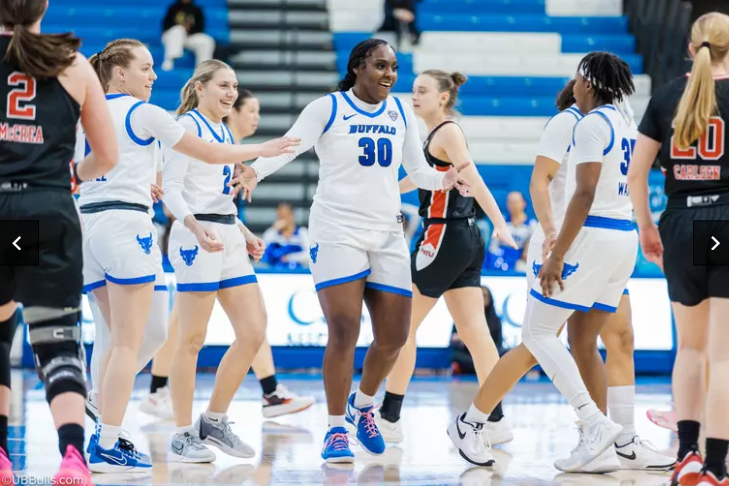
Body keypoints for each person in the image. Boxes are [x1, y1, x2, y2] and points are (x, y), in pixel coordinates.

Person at [232, 38, 463, 464]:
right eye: (380, 66)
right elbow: (290, 144)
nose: (390, 75)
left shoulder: (399, 113)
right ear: (358, 67)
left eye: (393, 67)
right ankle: (336, 428)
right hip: (336, 231)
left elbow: (416, 170)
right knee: (344, 329)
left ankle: (363, 406)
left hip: (386, 232)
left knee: (394, 336)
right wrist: (255, 172)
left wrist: (443, 181)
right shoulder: (328, 107)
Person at [80, 40, 298, 473]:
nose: (154, 75)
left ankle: (201, 419)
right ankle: (154, 430)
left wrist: (240, 228)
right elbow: (188, 178)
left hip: (102, 222)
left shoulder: (87, 111)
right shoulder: (158, 117)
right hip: (154, 229)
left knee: (241, 331)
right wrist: (261, 154)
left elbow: (103, 167)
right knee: (165, 337)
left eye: (236, 85)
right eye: (146, 67)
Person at [451, 51, 640, 470]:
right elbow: (540, 182)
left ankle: (611, 436)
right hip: (567, 240)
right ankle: (479, 421)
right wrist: (552, 233)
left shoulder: (611, 120)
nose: (574, 83)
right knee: (539, 340)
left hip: (597, 238)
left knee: (584, 339)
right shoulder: (569, 122)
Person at [0, 0, 118, 483]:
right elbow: (106, 156)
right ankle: (73, 456)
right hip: (48, 209)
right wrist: (68, 174)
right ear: (42, 7)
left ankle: (2, 458)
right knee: (57, 341)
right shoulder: (73, 63)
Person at [162, 60, 295, 462]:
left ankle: (214, 420)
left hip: (227, 234)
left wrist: (245, 232)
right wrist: (193, 226)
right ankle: (182, 433)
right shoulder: (186, 126)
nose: (231, 92)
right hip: (196, 235)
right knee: (191, 340)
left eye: (235, 86)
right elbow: (171, 189)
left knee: (254, 331)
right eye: (223, 84)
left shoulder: (221, 130)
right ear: (200, 87)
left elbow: (220, 198)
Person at [376, 70, 516, 446]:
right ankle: (497, 419)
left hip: (442, 236)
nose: (414, 96)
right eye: (414, 90)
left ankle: (389, 417)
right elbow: (421, 179)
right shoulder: (436, 136)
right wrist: (382, 187)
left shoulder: (448, 132)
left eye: (422, 91)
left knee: (401, 327)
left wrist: (501, 222)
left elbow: (475, 178)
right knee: (475, 333)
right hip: (463, 237)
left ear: (442, 97)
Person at [628, 12, 729, 486]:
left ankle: (686, 455)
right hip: (725, 221)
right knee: (724, 355)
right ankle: (716, 466)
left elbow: (635, 173)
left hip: (680, 222)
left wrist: (647, 227)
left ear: (692, 48)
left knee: (689, 347)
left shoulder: (668, 94)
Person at [225, 88, 316, 419]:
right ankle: (159, 393)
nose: (257, 118)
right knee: (184, 332)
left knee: (254, 323)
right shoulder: (216, 146)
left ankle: (271, 393)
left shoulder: (230, 152)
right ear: (231, 111)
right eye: (251, 110)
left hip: (226, 241)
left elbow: (221, 207)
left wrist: (244, 233)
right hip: (206, 242)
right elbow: (201, 202)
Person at [161, 0, 215, 71]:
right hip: (172, 37)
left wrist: (188, 30)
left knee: (207, 41)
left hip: (189, 37)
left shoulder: (197, 9)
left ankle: (202, 70)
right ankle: (169, 61)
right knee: (178, 30)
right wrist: (182, 27)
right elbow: (166, 26)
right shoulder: (173, 8)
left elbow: (200, 29)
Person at [262, 203, 310, 269]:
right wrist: (273, 229)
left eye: (285, 215)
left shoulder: (302, 232)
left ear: (292, 215)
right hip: (276, 272)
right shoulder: (273, 233)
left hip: (298, 272)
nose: (282, 218)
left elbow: (309, 255)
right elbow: (263, 251)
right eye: (280, 216)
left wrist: (288, 257)